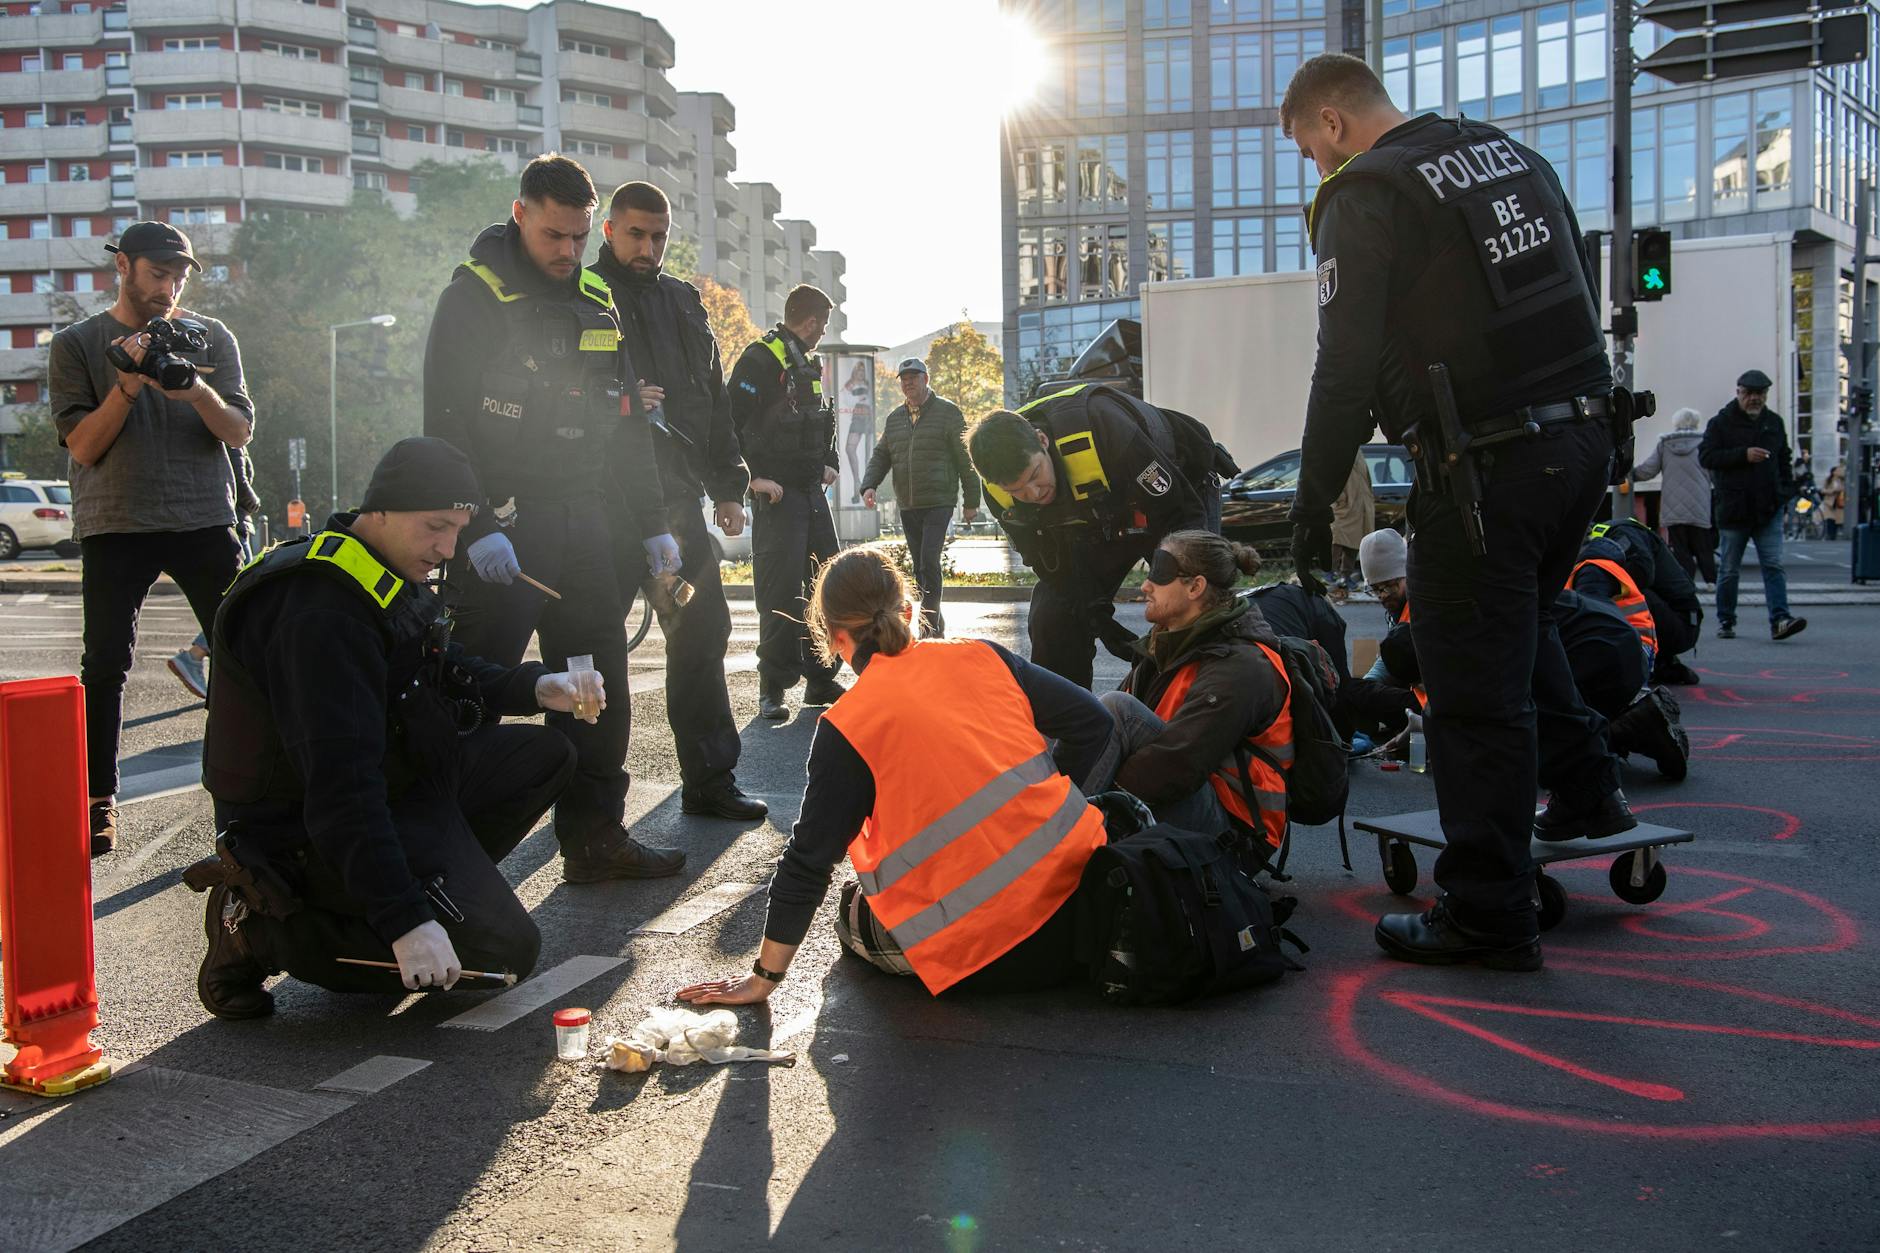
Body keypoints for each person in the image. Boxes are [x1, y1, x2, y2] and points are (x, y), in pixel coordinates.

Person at [1281, 54, 1629, 971]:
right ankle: (1592, 794)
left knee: (1472, 688)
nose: (1316, 171)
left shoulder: (1363, 193)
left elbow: (1345, 365)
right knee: (1527, 620)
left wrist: (1313, 500)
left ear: (1332, 121)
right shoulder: (1506, 154)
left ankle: (1487, 909)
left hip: (1485, 464)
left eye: (1309, 152)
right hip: (1585, 439)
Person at [186, 438, 587, 1019]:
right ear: (380, 509)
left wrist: (531, 688)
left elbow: (436, 664)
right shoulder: (319, 612)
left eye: (457, 529)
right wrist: (405, 921)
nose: (447, 548)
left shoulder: (372, 564)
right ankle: (258, 928)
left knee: (544, 752)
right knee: (502, 954)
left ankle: (420, 891)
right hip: (301, 829)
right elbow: (339, 785)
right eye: (434, 527)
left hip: (403, 782)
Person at [673, 546, 1112, 1004]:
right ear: (908, 609)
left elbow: (809, 861)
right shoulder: (981, 656)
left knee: (852, 911)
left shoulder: (850, 726)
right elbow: (1094, 723)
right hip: (1079, 911)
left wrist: (763, 978)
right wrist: (1055, 802)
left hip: (988, 958)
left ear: (835, 639)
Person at [422, 154, 683, 881]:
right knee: (474, 691)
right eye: (553, 236)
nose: (569, 252)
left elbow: (628, 423)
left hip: (586, 519)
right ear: (521, 215)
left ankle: (595, 834)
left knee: (595, 682)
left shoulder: (598, 299)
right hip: (505, 524)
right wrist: (475, 528)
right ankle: (441, 848)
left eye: (577, 237)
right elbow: (444, 424)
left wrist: (653, 521)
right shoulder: (473, 298)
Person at [48, 221, 255, 856]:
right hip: (116, 523)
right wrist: (128, 385)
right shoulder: (78, 343)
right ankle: (97, 802)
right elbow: (83, 446)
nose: (169, 289)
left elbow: (239, 430)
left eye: (179, 277)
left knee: (246, 661)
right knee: (104, 664)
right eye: (158, 274)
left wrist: (194, 388)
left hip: (203, 518)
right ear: (125, 268)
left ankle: (247, 796)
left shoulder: (210, 338)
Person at [591, 180, 766, 822]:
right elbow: (557, 403)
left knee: (701, 634)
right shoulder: (581, 295)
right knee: (594, 644)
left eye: (659, 235)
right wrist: (619, 402)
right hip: (602, 505)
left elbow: (713, 400)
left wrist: (728, 484)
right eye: (636, 233)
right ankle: (590, 807)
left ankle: (710, 782)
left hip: (679, 506)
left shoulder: (684, 302)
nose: (649, 246)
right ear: (609, 230)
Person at [969, 383, 1226, 688]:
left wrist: (1168, 585)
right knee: (1053, 615)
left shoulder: (1105, 428)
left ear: (1042, 441)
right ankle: (1071, 723)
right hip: (1101, 518)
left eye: (1035, 475)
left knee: (1190, 597)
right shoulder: (999, 492)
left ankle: (1202, 700)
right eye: (1018, 490)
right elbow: (1052, 568)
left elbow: (1179, 512)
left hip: (1176, 491)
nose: (1033, 493)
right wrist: (1096, 617)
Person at [1099, 532, 1291, 860]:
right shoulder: (1166, 641)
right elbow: (1103, 731)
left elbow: (1176, 766)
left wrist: (1090, 807)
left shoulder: (1240, 665)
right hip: (1184, 798)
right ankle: (1045, 824)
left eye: (1158, 575)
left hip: (1235, 835)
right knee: (1072, 717)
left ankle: (1054, 835)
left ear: (1195, 587)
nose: (1145, 586)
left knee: (1118, 710)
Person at [729, 283, 845, 721]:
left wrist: (830, 461)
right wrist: (752, 479)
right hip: (777, 496)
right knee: (779, 594)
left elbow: (821, 422)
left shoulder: (808, 364)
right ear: (811, 322)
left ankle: (820, 679)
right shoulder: (759, 359)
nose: (822, 333)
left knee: (824, 587)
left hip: (811, 493)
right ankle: (772, 687)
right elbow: (730, 424)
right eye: (823, 325)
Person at [859, 356, 981, 636]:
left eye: (914, 377)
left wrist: (972, 501)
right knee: (919, 566)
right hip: (908, 503)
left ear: (926, 379)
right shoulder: (894, 420)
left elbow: (965, 459)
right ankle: (934, 618)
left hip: (939, 500)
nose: (908, 382)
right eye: (904, 379)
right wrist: (869, 485)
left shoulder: (948, 413)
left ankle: (929, 625)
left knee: (928, 560)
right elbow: (882, 455)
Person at [1700, 368, 1806, 641]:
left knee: (1773, 565)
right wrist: (1743, 455)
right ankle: (1726, 620)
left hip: (1768, 508)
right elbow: (1707, 457)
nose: (1754, 399)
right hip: (1735, 508)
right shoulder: (1721, 423)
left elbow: (1784, 458)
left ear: (1765, 395)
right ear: (1738, 393)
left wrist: (1782, 492)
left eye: (1759, 394)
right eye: (1748, 393)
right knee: (1729, 569)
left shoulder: (1773, 422)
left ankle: (1780, 619)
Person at [169, 444, 262, 701]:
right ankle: (195, 657)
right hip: (232, 525)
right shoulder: (230, 442)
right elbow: (238, 483)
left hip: (227, 522)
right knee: (237, 607)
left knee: (235, 606)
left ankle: (205, 670)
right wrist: (254, 503)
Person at [1576, 517, 1704, 686]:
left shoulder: (1621, 534)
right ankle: (1659, 661)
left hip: (1683, 622)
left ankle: (1642, 659)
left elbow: (1643, 571)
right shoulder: (1600, 537)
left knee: (1623, 591)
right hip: (1673, 618)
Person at [1630, 408, 1715, 587]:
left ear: (1676, 423)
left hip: (1673, 505)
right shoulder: (1705, 443)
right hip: (1700, 503)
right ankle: (1710, 581)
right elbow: (1714, 471)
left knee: (1680, 548)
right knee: (1703, 545)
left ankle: (1687, 582)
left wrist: (1631, 475)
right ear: (1696, 423)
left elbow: (1648, 470)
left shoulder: (1665, 444)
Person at [1329, 451, 1375, 595]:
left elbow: (1366, 478)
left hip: (1361, 505)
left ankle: (1346, 575)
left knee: (1355, 541)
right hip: (1344, 505)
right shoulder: (1338, 449)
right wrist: (1340, 500)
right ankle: (1330, 571)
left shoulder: (1358, 452)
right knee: (1337, 538)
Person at [842, 359, 874, 498]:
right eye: (858, 370)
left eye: (862, 370)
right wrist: (857, 399)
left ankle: (862, 486)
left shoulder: (867, 384)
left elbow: (869, 401)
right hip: (857, 416)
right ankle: (857, 482)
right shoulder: (849, 385)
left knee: (866, 453)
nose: (861, 373)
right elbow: (845, 399)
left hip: (866, 416)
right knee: (850, 449)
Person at [1823, 462, 1847, 543]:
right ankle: (1830, 535)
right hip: (1830, 502)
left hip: (1839, 501)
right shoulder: (1828, 480)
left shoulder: (1842, 480)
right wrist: (1831, 491)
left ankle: (1836, 534)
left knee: (1838, 520)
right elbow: (1823, 490)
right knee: (1830, 520)